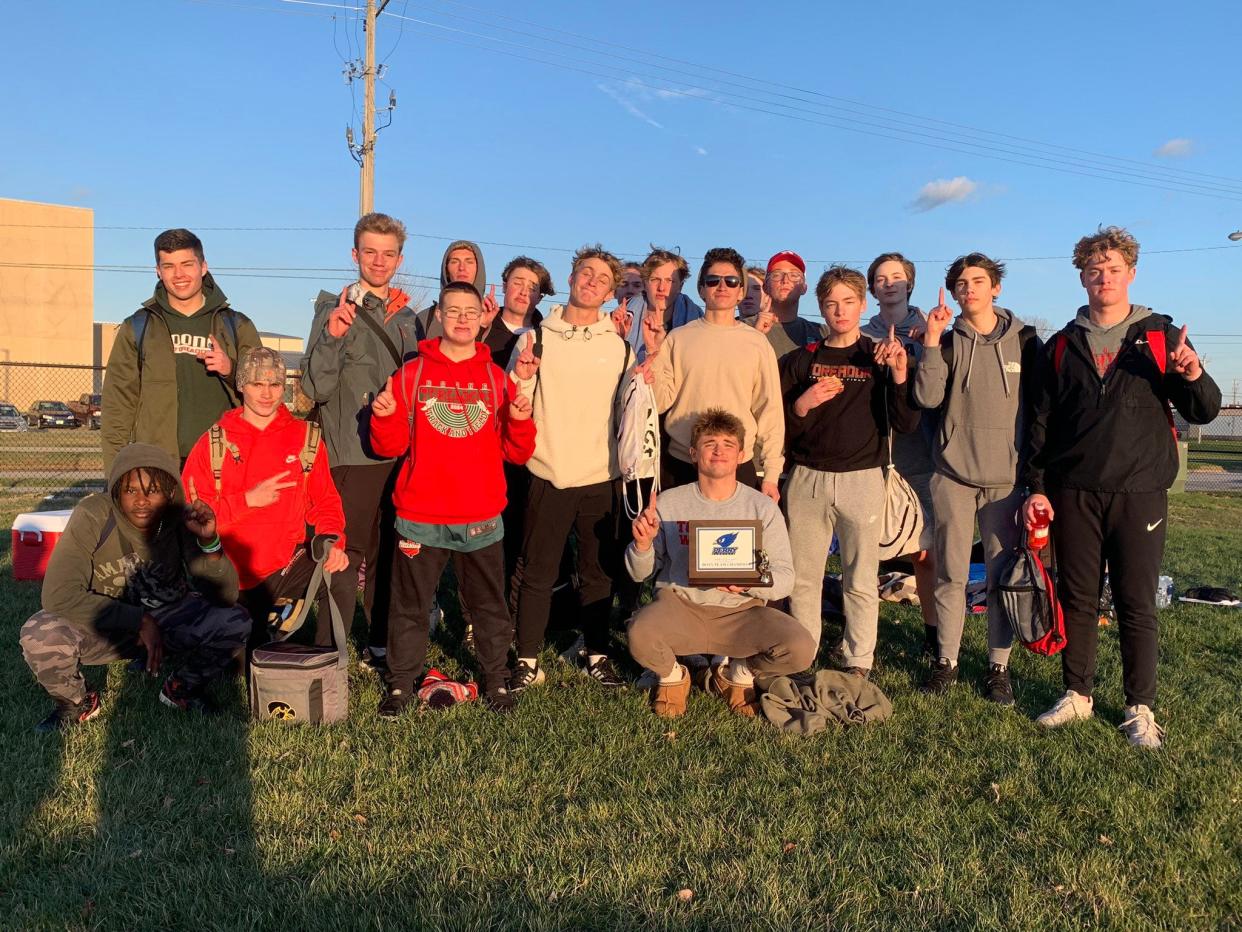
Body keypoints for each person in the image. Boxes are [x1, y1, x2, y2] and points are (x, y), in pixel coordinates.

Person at [1024, 226, 1221, 747]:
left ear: (1131, 273)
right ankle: (1077, 694)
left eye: (1113, 268)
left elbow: (1204, 408)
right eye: (1094, 269)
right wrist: (1037, 486)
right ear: (1082, 278)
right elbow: (1040, 424)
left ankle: (1139, 707)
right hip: (1074, 491)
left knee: (1136, 603)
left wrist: (1193, 371)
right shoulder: (1062, 345)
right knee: (1079, 597)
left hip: (1139, 493)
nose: (1103, 277)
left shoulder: (1160, 335)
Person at [369, 281, 537, 715]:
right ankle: (401, 684)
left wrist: (520, 420)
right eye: (452, 310)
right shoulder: (412, 374)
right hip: (419, 516)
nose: (462, 318)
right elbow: (389, 447)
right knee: (409, 606)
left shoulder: (496, 379)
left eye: (470, 311)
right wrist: (384, 417)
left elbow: (517, 452)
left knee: (488, 605)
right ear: (438, 316)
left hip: (480, 517)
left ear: (483, 317)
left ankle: (496, 679)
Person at [20, 444, 249, 731]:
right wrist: (138, 620)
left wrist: (209, 543)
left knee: (235, 620)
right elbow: (58, 594)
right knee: (40, 633)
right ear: (116, 492)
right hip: (105, 625)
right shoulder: (94, 514)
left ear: (169, 493)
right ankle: (77, 703)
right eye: (130, 490)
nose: (142, 500)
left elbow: (224, 596)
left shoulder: (179, 520)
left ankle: (180, 689)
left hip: (165, 620)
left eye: (152, 490)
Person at [626, 409, 813, 718]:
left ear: (741, 455)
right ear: (693, 453)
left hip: (741, 612)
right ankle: (674, 677)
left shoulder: (761, 507)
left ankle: (738, 674)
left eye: (728, 444)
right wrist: (642, 545)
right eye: (709, 442)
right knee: (639, 634)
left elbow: (785, 576)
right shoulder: (669, 503)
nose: (718, 450)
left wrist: (752, 581)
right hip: (681, 606)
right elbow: (639, 572)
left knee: (800, 646)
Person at [913, 255, 1041, 703]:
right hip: (952, 476)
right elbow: (927, 398)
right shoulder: (947, 343)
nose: (969, 289)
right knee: (949, 572)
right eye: (961, 283)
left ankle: (997, 667)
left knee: (1002, 574)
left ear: (996, 289)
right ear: (952, 292)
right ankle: (945, 661)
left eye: (978, 282)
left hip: (1005, 481)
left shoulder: (1026, 341)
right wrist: (930, 340)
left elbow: (1041, 409)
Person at [780, 266, 918, 677]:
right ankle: (803, 655)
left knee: (859, 578)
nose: (840, 310)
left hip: (863, 478)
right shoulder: (800, 360)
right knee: (804, 578)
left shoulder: (878, 355)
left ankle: (858, 660)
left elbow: (906, 423)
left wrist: (899, 372)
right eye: (831, 303)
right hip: (808, 478)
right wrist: (803, 404)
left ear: (862, 305)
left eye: (848, 302)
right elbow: (780, 426)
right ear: (820, 307)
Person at [508, 244, 634, 692]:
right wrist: (521, 377)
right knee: (538, 570)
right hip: (548, 471)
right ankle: (526, 659)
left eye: (602, 278)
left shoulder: (619, 347)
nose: (592, 282)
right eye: (586, 273)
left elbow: (631, 413)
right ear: (572, 276)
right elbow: (515, 398)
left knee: (597, 572)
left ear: (611, 292)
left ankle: (596, 654)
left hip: (601, 476)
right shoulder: (538, 337)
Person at [300, 212, 421, 662]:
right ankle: (331, 648)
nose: (378, 261)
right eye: (370, 251)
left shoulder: (409, 317)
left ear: (399, 260)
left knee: (391, 549)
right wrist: (332, 338)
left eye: (388, 254)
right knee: (344, 555)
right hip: (350, 455)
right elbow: (316, 388)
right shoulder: (335, 310)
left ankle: (381, 642)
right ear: (355, 255)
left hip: (399, 457)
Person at [181, 347, 349, 644]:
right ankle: (256, 627)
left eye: (274, 384)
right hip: (228, 574)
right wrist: (247, 501)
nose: (267, 393)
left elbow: (325, 501)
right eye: (257, 384)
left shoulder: (305, 438)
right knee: (239, 657)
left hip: (283, 566)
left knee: (340, 572)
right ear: (241, 385)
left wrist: (332, 539)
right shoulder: (214, 442)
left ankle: (324, 663)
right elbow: (193, 516)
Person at [102, 229, 262, 471]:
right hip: (158, 464)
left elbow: (265, 394)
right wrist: (116, 471)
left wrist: (231, 369)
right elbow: (118, 404)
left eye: (187, 264)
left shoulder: (236, 325)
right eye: (169, 266)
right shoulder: (138, 326)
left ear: (203, 266)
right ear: (158, 271)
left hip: (225, 462)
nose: (179, 274)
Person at [642, 247, 784, 501]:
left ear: (740, 291)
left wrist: (772, 473)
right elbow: (660, 402)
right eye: (713, 280)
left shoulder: (757, 343)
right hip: (681, 465)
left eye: (731, 281)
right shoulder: (677, 338)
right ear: (701, 288)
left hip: (737, 467)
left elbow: (770, 410)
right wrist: (653, 354)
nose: (722, 286)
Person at [860, 252, 939, 658]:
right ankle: (861, 638)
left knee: (924, 553)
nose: (888, 283)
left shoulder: (932, 329)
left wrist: (922, 349)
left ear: (909, 282)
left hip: (921, 454)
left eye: (896, 276)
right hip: (874, 455)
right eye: (880, 277)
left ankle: (933, 634)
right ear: (872, 287)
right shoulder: (862, 333)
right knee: (865, 552)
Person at [621, 247, 704, 363]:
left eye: (669, 281)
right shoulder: (622, 319)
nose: (661, 288)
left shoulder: (696, 321)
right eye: (655, 279)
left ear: (680, 286)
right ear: (644, 284)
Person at [750, 251, 824, 362]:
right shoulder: (745, 327)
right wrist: (755, 336)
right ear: (765, 287)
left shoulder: (821, 332)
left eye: (794, 275)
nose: (785, 280)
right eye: (777, 275)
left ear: (804, 288)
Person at [416, 239, 498, 339]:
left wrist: (482, 327)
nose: (462, 268)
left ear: (478, 269)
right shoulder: (425, 319)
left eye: (469, 262)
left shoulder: (495, 321)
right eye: (454, 262)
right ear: (446, 270)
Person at [481, 256, 554, 364]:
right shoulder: (483, 325)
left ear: (539, 298)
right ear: (504, 286)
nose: (523, 292)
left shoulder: (544, 337)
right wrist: (480, 327)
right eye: (518, 283)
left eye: (532, 289)